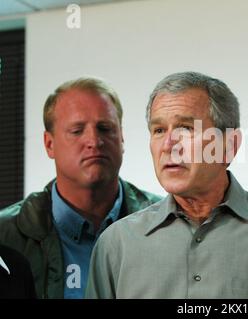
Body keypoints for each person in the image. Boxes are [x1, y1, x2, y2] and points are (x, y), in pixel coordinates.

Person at [85, 71, 248, 299]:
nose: (168, 144)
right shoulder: (116, 245)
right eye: (159, 130)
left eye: (185, 128)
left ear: (229, 146)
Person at [0, 77, 161, 299]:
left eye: (105, 128)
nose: (94, 141)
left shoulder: (167, 223)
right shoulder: (6, 235)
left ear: (122, 137)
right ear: (49, 144)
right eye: (77, 131)